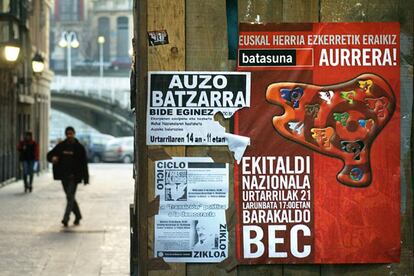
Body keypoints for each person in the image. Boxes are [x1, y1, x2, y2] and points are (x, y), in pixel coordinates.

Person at [47, 126, 89, 227]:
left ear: (74, 134)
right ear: (66, 134)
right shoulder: (61, 146)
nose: (69, 135)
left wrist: (86, 178)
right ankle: (78, 216)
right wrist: (53, 158)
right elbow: (50, 155)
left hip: (74, 177)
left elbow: (84, 164)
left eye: (71, 133)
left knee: (70, 197)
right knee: (70, 197)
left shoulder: (79, 148)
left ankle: (66, 218)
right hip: (64, 176)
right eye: (68, 134)